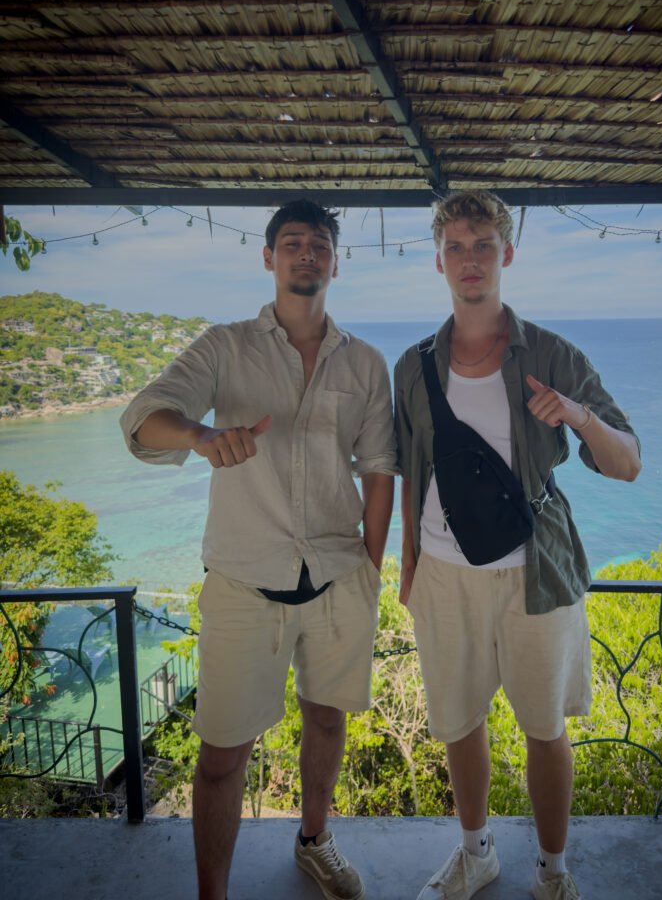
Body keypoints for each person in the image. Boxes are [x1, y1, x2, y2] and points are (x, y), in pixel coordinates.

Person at [120, 200, 396, 900]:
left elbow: (380, 470)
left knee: (327, 719)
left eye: (320, 244)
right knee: (220, 756)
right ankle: (213, 893)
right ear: (268, 256)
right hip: (244, 587)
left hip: (338, 579)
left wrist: (373, 565)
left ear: (336, 260)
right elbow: (143, 419)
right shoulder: (226, 346)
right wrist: (199, 436)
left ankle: (313, 839)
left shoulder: (364, 362)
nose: (307, 254)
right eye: (294, 242)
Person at [394, 190, 641, 900]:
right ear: (439, 259)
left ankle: (553, 872)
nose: (469, 259)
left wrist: (578, 414)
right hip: (443, 574)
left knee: (543, 729)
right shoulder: (413, 367)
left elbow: (627, 462)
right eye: (456, 245)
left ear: (507, 253)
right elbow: (412, 473)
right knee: (459, 722)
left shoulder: (552, 355)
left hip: (537, 574)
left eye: (482, 244)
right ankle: (477, 853)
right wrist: (408, 573)